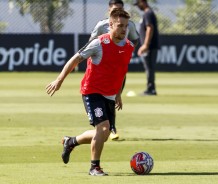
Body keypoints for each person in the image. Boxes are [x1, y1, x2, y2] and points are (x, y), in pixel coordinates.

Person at [46, 8, 134, 176]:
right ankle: (94, 167)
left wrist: (118, 93)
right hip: (92, 92)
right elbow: (75, 59)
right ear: (110, 25)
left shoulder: (129, 46)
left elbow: (121, 71)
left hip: (110, 94)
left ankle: (71, 142)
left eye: (126, 26)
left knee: (105, 134)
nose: (123, 29)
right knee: (103, 128)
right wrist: (59, 80)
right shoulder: (99, 43)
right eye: (120, 26)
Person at [134, 0, 159, 96]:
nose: (137, 6)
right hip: (149, 46)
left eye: (138, 4)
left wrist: (145, 45)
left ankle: (151, 89)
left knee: (149, 68)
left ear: (142, 2)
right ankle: (150, 88)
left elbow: (150, 28)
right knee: (149, 67)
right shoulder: (147, 13)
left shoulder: (148, 13)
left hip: (149, 46)